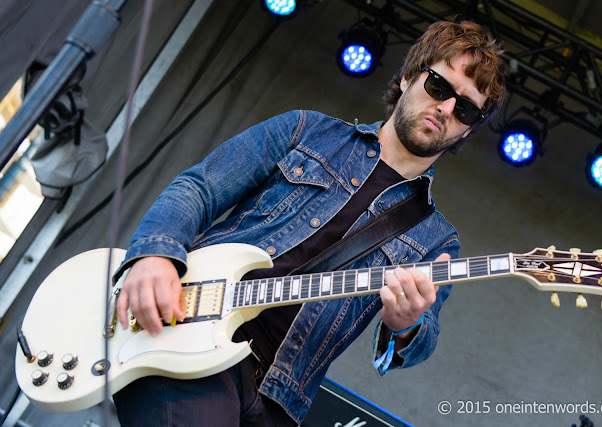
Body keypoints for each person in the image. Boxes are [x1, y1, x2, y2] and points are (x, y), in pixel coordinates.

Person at [112, 20, 505, 426]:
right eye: (439, 86)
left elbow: (422, 340)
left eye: (465, 108)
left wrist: (407, 326)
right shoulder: (307, 130)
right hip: (189, 332)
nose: (445, 108)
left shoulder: (436, 240)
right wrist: (156, 255)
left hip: (275, 400)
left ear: (467, 131)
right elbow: (199, 188)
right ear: (407, 77)